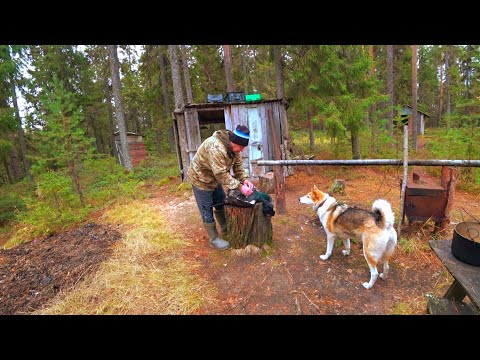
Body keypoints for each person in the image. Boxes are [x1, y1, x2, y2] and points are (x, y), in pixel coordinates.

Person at [187, 125, 254, 250]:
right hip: (200, 179)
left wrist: (244, 180)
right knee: (206, 208)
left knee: (220, 202)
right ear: (234, 142)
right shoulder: (216, 148)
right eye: (241, 147)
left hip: (214, 179)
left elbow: (238, 166)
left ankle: (226, 229)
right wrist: (240, 187)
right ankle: (214, 239)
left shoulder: (234, 148)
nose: (242, 150)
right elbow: (221, 175)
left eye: (244, 147)